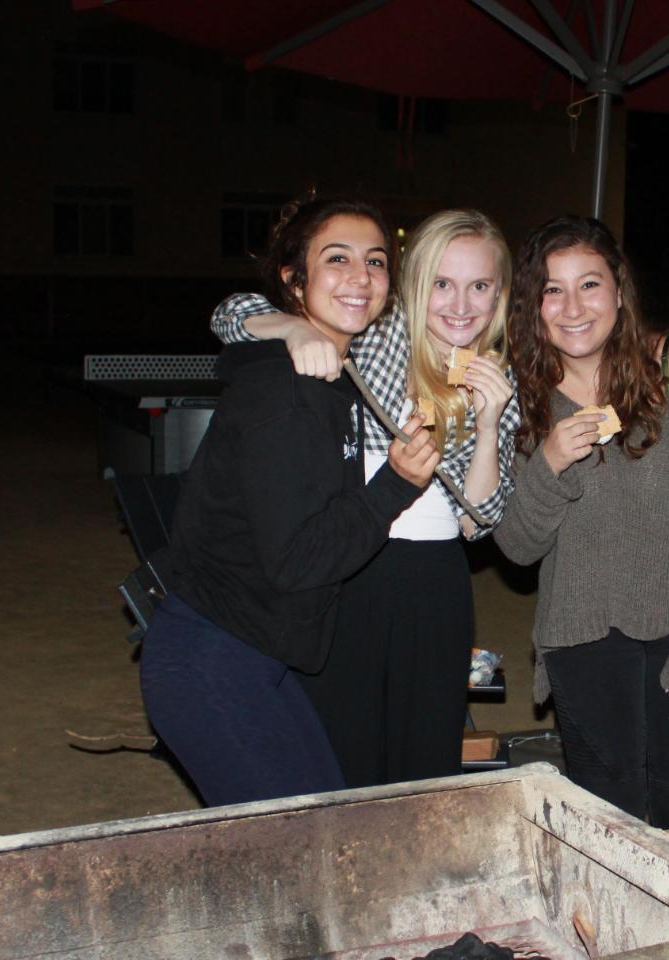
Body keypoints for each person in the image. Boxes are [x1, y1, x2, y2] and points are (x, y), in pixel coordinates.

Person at [139, 196, 439, 806]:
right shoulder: (288, 391)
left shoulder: (330, 376)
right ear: (293, 279)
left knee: (320, 824)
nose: (361, 277)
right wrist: (397, 485)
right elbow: (300, 561)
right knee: (303, 847)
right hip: (211, 658)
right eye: (338, 259)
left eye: (376, 262)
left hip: (251, 654)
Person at [208, 209, 519, 786]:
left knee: (425, 759)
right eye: (441, 285)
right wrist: (295, 329)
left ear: (499, 294)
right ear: (415, 286)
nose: (460, 305)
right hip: (349, 567)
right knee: (341, 754)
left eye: (480, 286)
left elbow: (480, 522)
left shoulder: (498, 376)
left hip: (434, 581)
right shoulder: (374, 335)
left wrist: (490, 423)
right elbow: (230, 314)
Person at [493, 215, 669, 863]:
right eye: (552, 291)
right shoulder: (522, 397)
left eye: (590, 284)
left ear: (620, 291)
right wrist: (549, 463)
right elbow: (517, 547)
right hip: (584, 638)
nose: (573, 307)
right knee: (604, 841)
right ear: (533, 305)